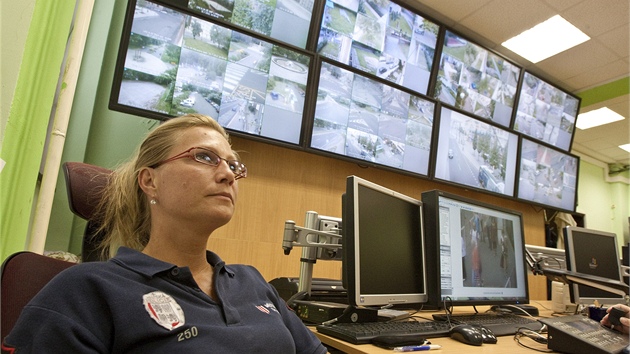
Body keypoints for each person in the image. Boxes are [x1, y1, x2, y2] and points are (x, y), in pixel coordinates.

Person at [3, 114, 327, 354]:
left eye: (234, 165)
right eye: (205, 157)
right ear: (149, 181)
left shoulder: (252, 282)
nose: (228, 174)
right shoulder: (86, 290)